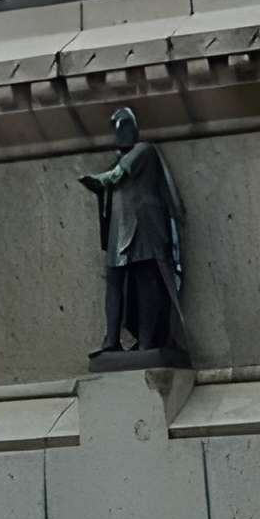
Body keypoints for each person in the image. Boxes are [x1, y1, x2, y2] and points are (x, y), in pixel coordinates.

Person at [79, 106, 187, 355]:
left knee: (146, 280)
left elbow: (115, 176)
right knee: (114, 282)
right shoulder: (120, 157)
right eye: (118, 127)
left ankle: (148, 343)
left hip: (144, 227)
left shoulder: (144, 150)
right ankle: (111, 341)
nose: (122, 132)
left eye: (126, 125)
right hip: (119, 230)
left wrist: (98, 181)